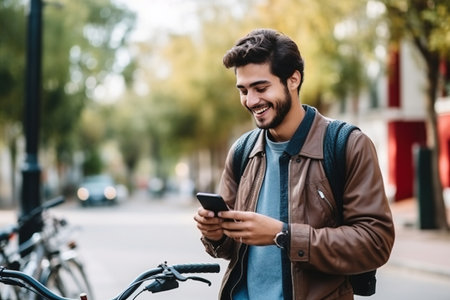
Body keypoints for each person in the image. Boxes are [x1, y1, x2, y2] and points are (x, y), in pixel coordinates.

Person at [193, 28, 395, 300]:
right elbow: (231, 248)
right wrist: (215, 234)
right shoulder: (242, 151)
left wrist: (283, 235)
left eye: (261, 88)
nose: (251, 101)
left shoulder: (348, 145)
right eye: (243, 90)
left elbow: (375, 243)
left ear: (293, 79)